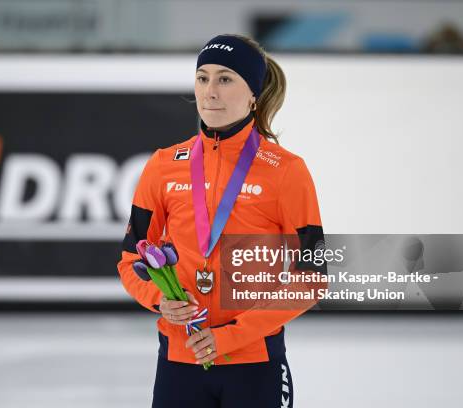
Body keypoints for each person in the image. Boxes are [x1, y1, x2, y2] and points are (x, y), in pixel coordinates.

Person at [117, 33, 326, 408]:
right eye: (203, 77)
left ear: (253, 95)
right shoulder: (163, 165)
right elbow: (132, 259)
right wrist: (158, 299)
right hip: (180, 363)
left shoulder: (287, 171)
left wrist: (231, 336)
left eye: (225, 78)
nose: (210, 91)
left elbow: (311, 278)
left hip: (255, 365)